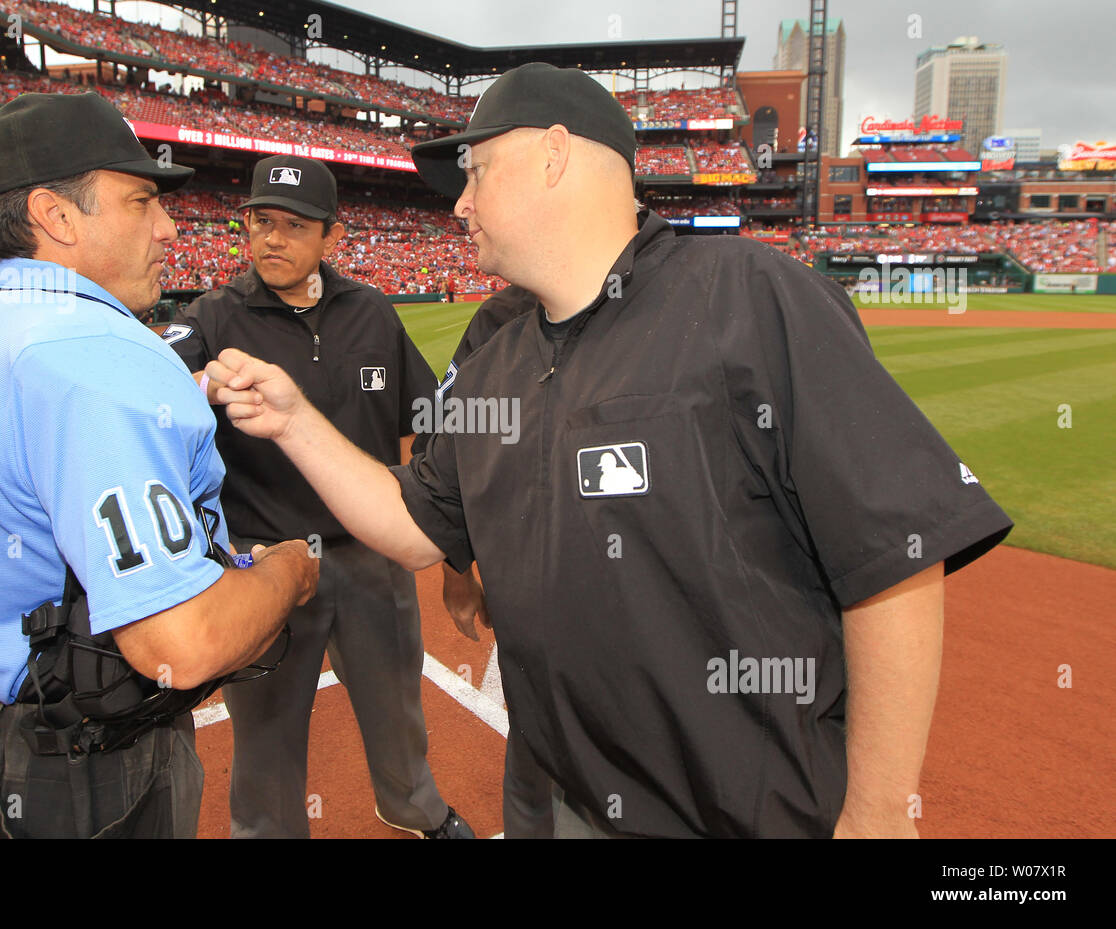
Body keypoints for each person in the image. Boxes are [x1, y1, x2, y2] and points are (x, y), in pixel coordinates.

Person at [204, 63, 1015, 838]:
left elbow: (896, 558)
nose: (459, 207)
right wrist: (292, 420)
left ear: (554, 154)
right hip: (570, 804)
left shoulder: (749, 296)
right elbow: (415, 524)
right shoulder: (497, 363)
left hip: (751, 818)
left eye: (477, 173)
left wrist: (875, 816)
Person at [0, 92, 318, 839]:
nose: (167, 226)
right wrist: (288, 570)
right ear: (57, 216)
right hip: (89, 768)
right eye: (142, 200)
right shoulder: (100, 357)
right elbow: (181, 645)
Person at [165, 154, 473, 839]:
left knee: (395, 701)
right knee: (267, 723)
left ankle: (410, 803)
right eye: (261, 222)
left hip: (372, 552)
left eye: (293, 226)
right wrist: (201, 385)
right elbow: (157, 395)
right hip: (264, 558)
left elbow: (431, 430)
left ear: (330, 237)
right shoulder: (211, 316)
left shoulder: (370, 310)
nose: (272, 238)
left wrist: (449, 554)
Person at [411, 283, 554, 839]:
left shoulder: (700, 296)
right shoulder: (504, 316)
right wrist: (457, 569)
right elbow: (440, 445)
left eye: (478, 187)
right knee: (536, 768)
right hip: (535, 595)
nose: (462, 207)